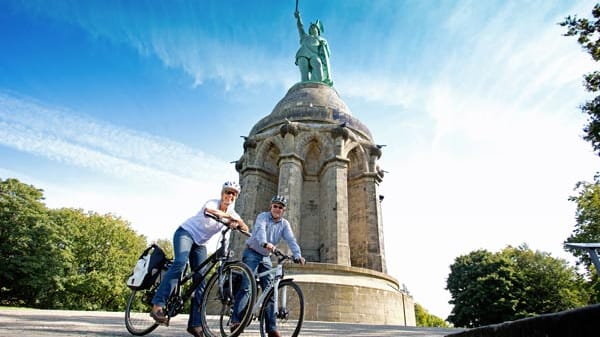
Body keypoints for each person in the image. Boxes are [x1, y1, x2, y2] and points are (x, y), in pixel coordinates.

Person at [149, 181, 248, 337]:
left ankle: (195, 324)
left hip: (200, 244)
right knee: (180, 263)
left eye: (233, 194)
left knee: (201, 280)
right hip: (186, 233)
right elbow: (209, 210)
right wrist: (230, 219)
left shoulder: (232, 212)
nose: (230, 196)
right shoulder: (213, 203)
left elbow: (245, 228)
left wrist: (238, 223)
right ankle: (158, 304)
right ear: (222, 193)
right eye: (228, 192)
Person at [230, 195, 306, 337]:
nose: (277, 209)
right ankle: (235, 320)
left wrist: (297, 255)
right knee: (247, 286)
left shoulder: (284, 224)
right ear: (271, 207)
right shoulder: (263, 217)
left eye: (280, 207)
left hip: (266, 256)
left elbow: (291, 239)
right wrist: (265, 243)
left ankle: (271, 329)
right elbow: (260, 230)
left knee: (270, 290)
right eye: (275, 206)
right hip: (253, 252)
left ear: (284, 210)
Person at [294, 10, 333, 86]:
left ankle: (314, 87)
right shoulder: (305, 36)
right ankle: (305, 88)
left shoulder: (322, 39)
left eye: (313, 27)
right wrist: (298, 17)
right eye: (310, 28)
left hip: (315, 55)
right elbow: (300, 27)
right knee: (304, 74)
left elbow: (328, 53)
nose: (311, 28)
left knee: (318, 65)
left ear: (318, 30)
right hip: (303, 54)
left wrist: (324, 45)